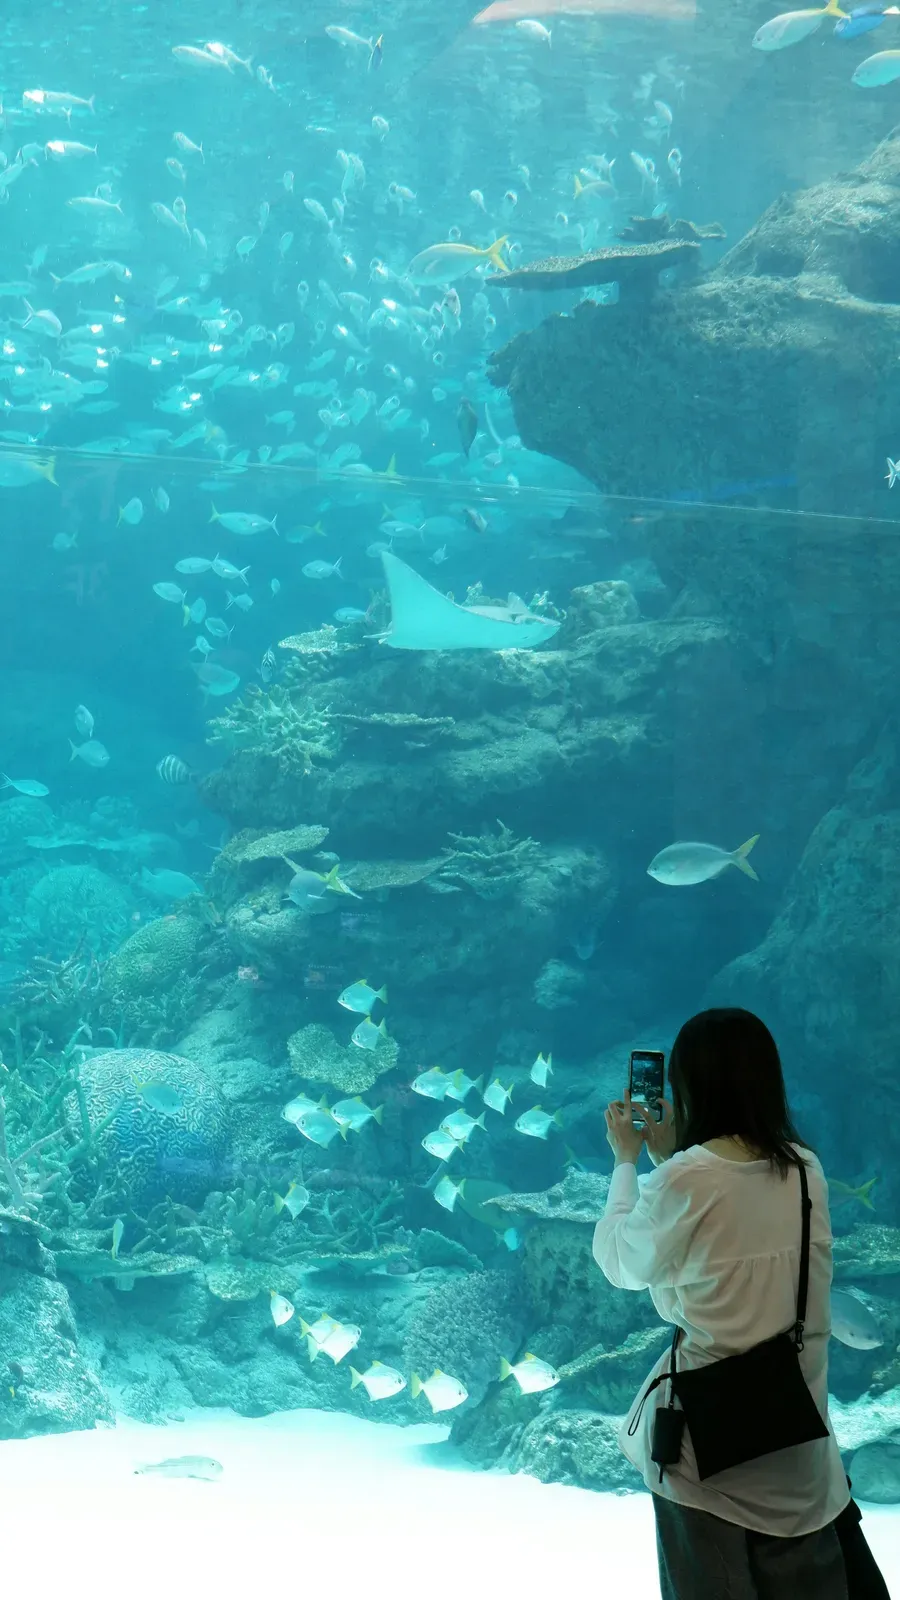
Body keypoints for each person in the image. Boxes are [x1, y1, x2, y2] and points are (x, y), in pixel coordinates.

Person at [592, 1007, 890, 1600]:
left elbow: (621, 1262)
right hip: (799, 1445)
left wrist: (629, 1161)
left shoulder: (687, 1179)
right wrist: (670, 1162)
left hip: (709, 1454)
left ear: (689, 1086)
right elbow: (734, 1226)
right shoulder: (806, 1168)